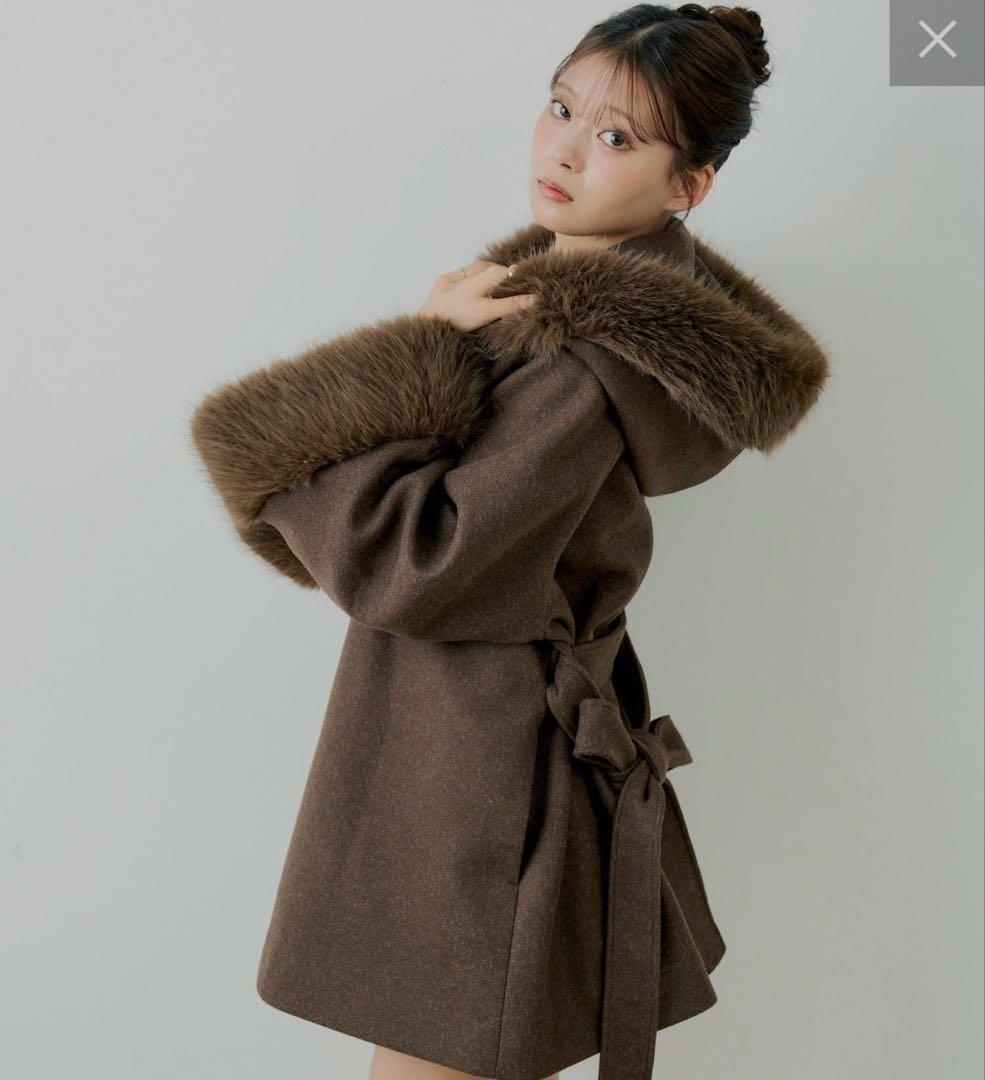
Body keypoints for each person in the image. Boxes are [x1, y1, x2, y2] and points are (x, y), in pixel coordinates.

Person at [189, 5, 830, 1080]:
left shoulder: (578, 360)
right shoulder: (553, 315)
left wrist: (412, 353)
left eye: (616, 136)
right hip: (478, 741)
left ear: (687, 186)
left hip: (482, 767)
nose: (565, 150)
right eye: (561, 107)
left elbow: (418, 561)